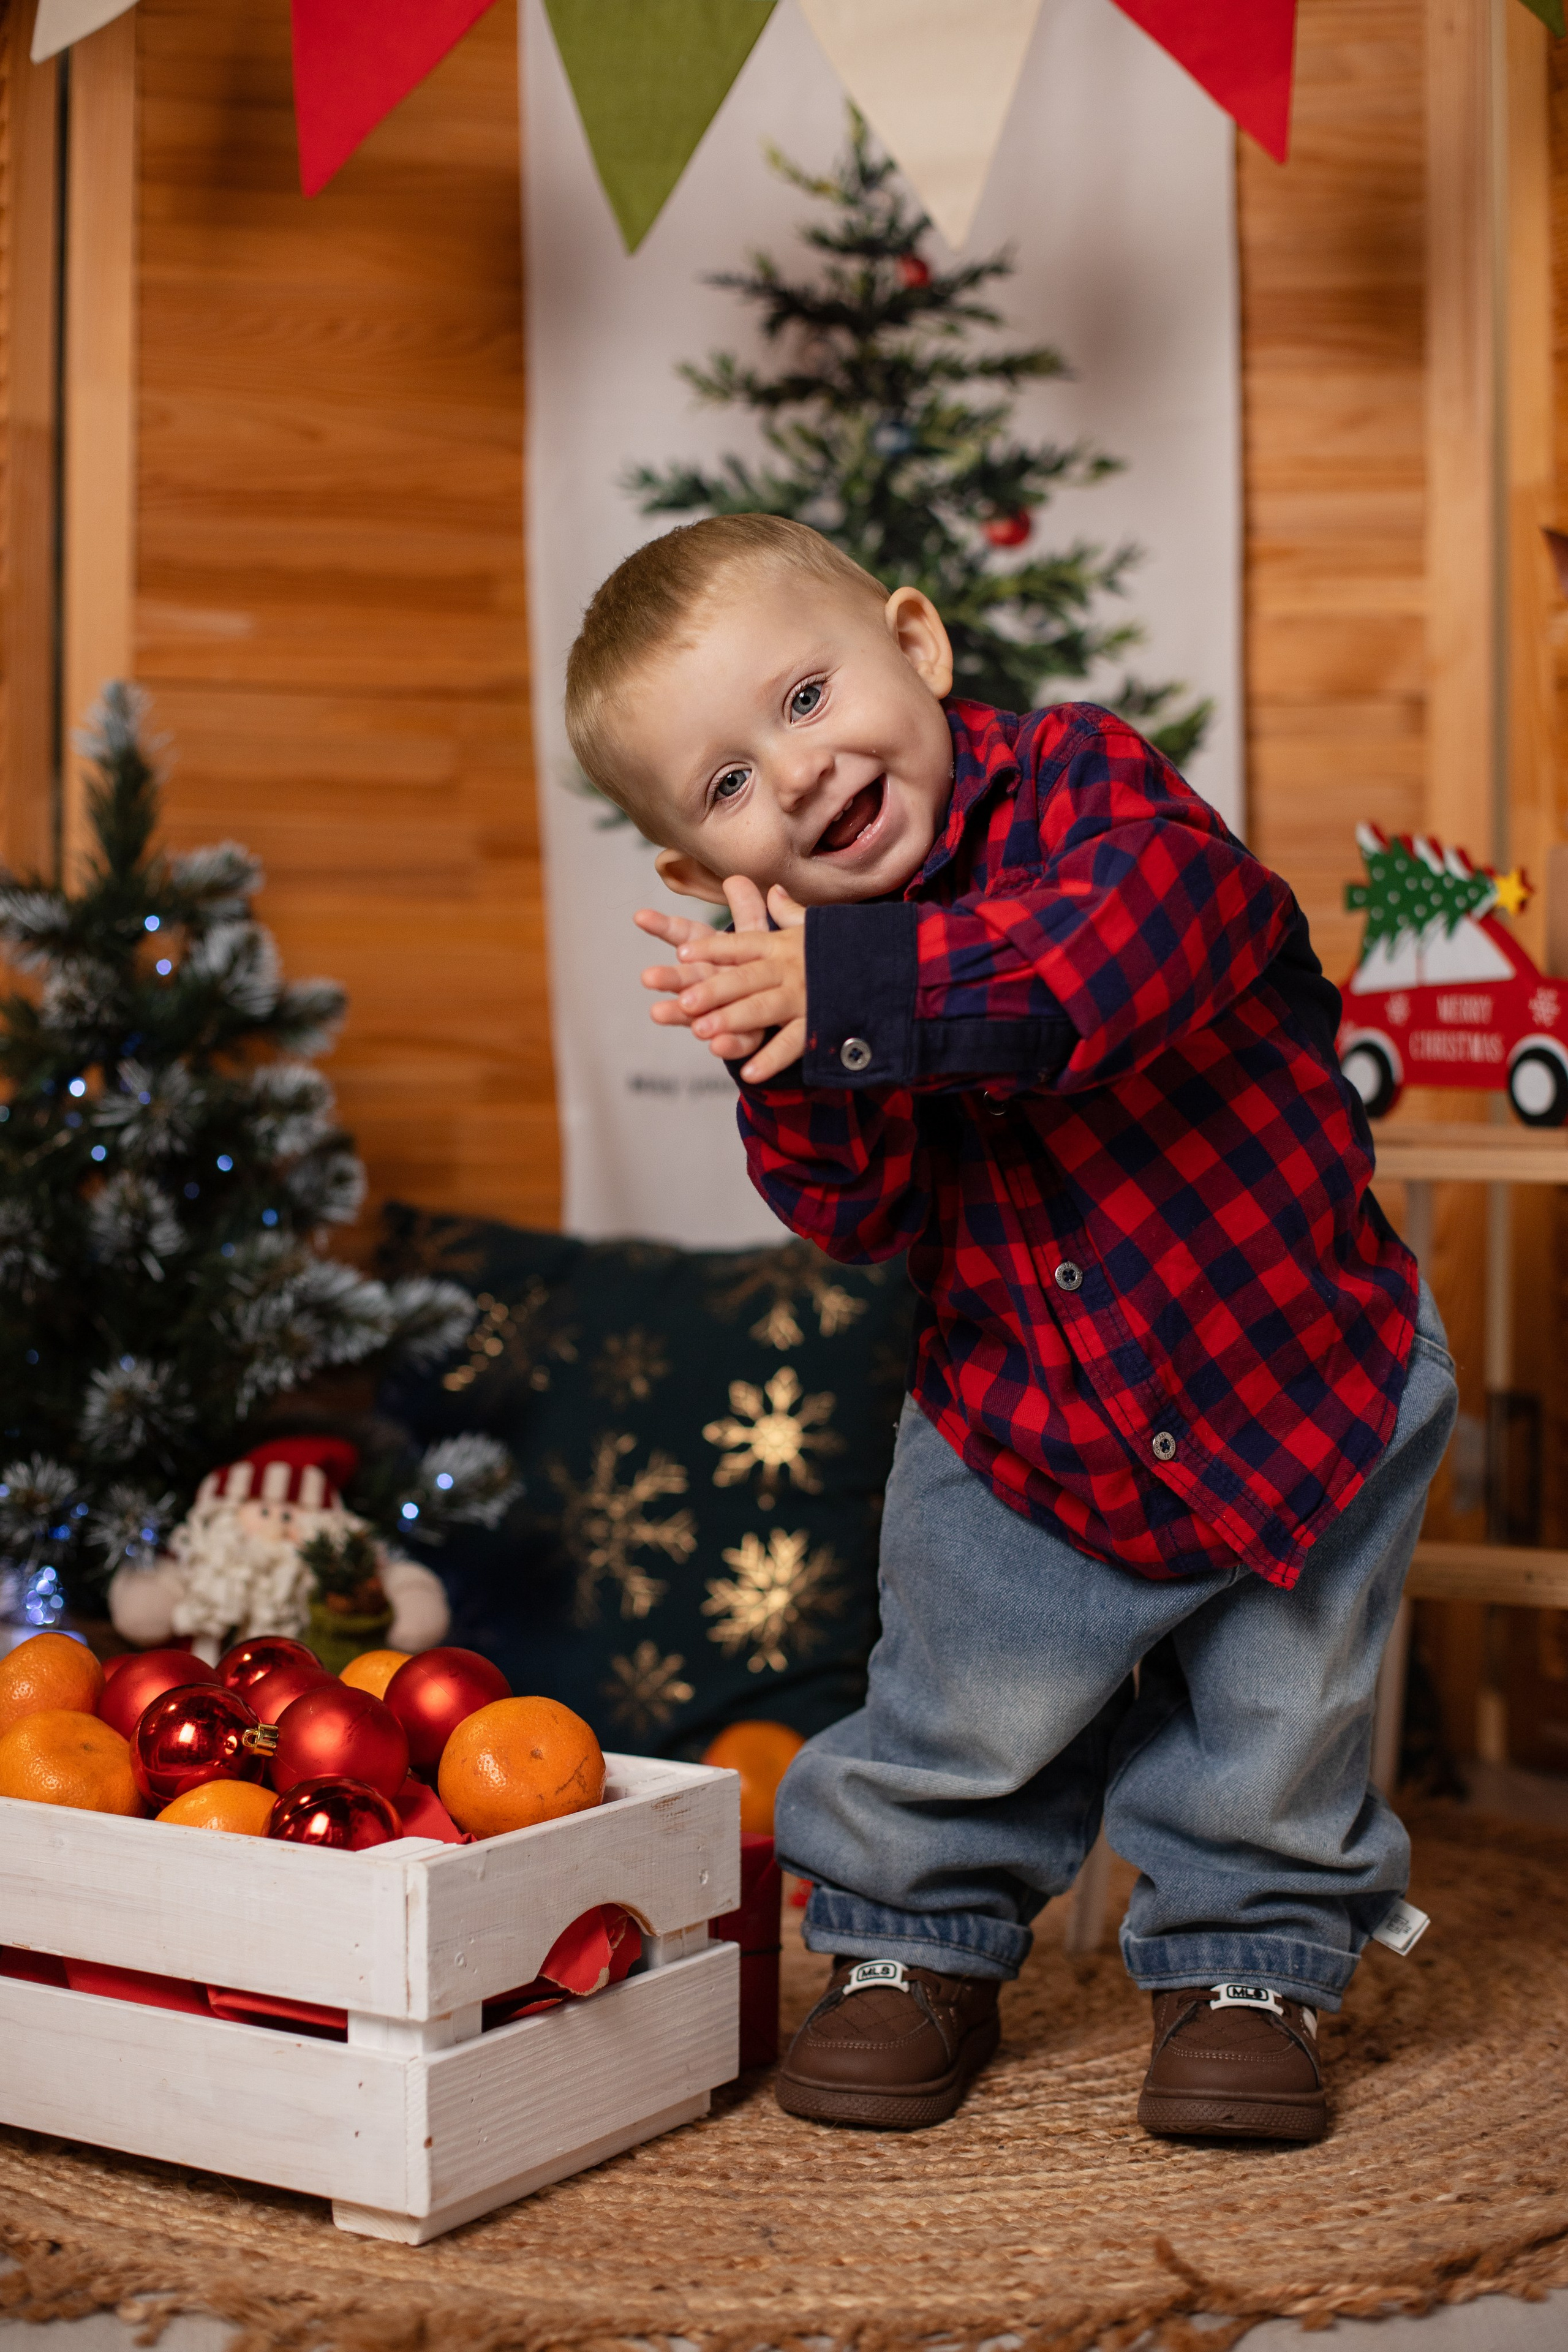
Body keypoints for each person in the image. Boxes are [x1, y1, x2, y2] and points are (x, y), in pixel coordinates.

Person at [565, 512, 1456, 2143]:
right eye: (730, 783)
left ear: (917, 645)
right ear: (701, 874)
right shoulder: (802, 979)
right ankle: (913, 1942)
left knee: (1279, 1702)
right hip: (1022, 1406)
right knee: (960, 1699)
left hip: (1293, 1363)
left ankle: (1248, 1959)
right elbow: (859, 1214)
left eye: (808, 698)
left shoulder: (1086, 784)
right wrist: (794, 1057)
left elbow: (1128, 951)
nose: (800, 773)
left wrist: (865, 990)